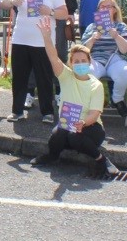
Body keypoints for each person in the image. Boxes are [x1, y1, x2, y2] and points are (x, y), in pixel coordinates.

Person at [29, 17, 114, 177]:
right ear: (71, 63)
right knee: (57, 135)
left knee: (75, 137)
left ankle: (100, 159)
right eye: (76, 61)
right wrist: (47, 37)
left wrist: (83, 122)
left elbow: (95, 114)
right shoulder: (66, 76)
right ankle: (52, 157)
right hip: (67, 124)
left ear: (89, 63)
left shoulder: (96, 85)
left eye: (83, 61)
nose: (80, 64)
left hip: (91, 127)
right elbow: (53, 57)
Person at [0, 0, 68, 122]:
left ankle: (47, 112)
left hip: (43, 41)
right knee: (19, 77)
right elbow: (4, 2)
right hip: (21, 39)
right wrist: (13, 1)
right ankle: (17, 111)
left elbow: (64, 13)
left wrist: (50, 11)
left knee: (44, 77)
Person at [80, 0, 127, 118]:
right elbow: (82, 51)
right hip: (96, 59)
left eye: (108, 7)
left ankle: (117, 99)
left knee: (124, 72)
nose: (104, 9)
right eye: (102, 7)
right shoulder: (92, 27)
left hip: (115, 59)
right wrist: (93, 38)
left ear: (114, 10)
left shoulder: (121, 27)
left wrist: (116, 36)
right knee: (87, 72)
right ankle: (92, 105)